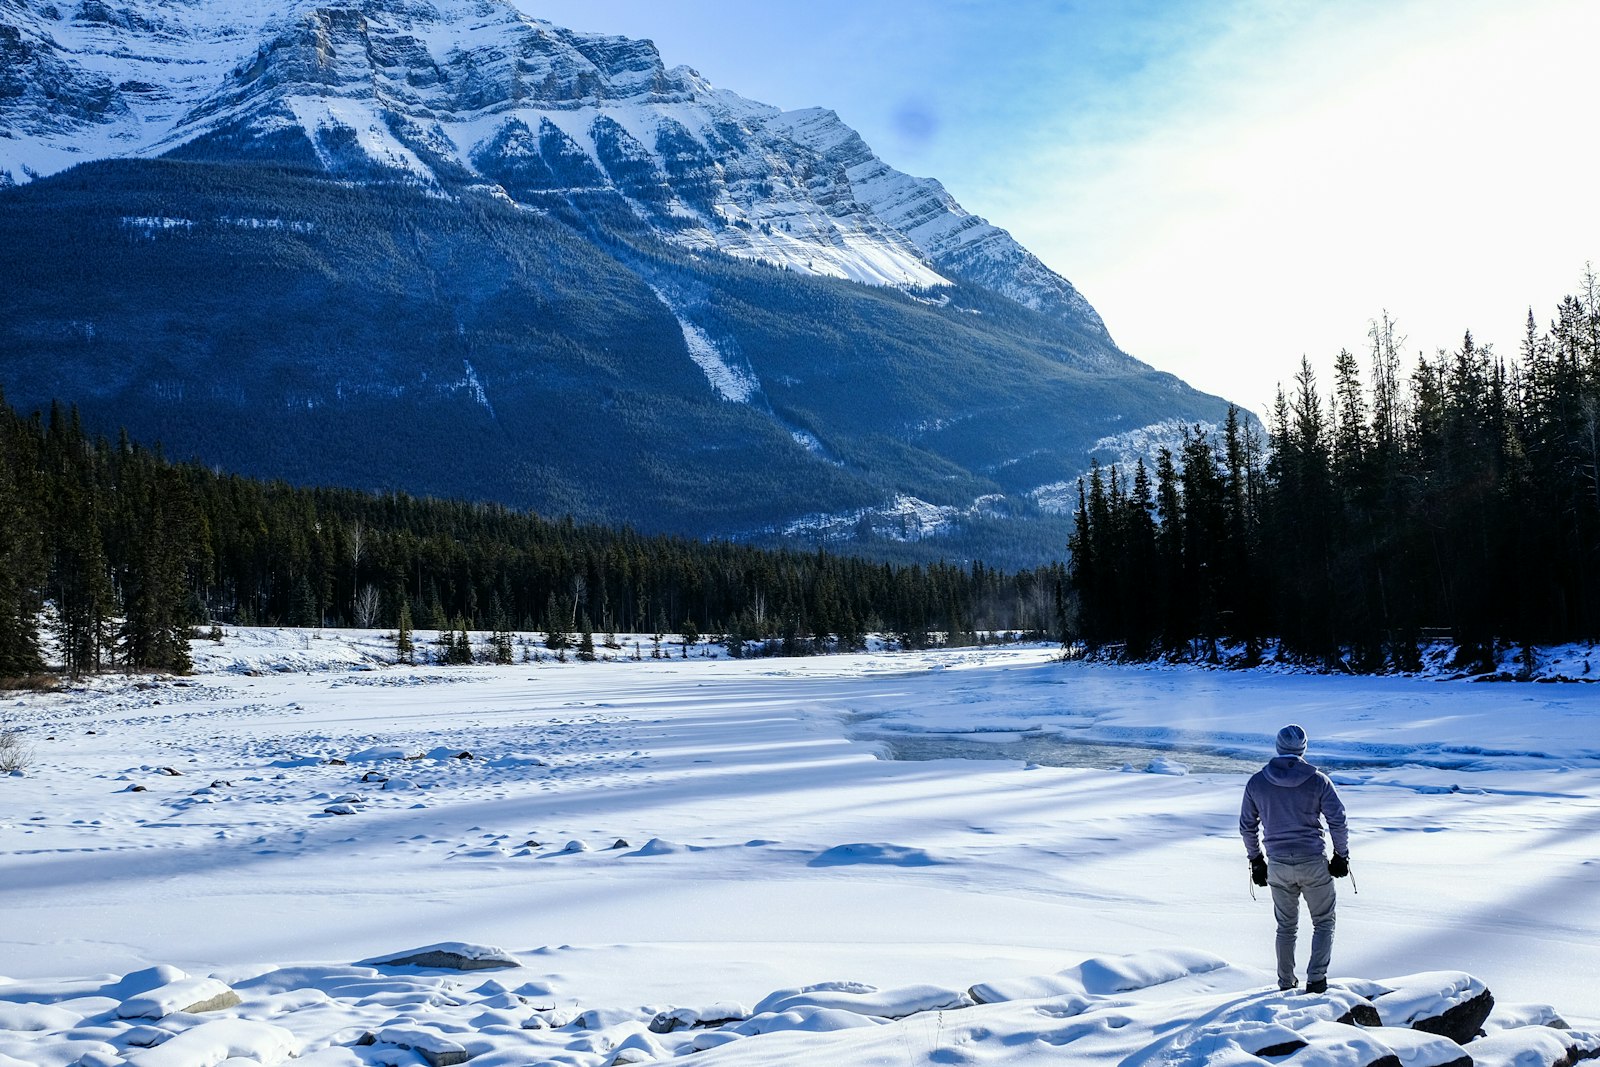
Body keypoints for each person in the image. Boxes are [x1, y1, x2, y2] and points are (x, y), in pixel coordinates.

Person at [1239, 723, 1349, 994]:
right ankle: (1316, 980)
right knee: (1323, 921)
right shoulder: (1318, 780)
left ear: (1277, 747)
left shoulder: (1257, 782)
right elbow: (1338, 820)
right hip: (1312, 861)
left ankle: (1286, 983)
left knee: (1286, 927)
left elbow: (1247, 826)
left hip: (1277, 864)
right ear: (1303, 749)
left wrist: (1256, 860)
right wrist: (1341, 855)